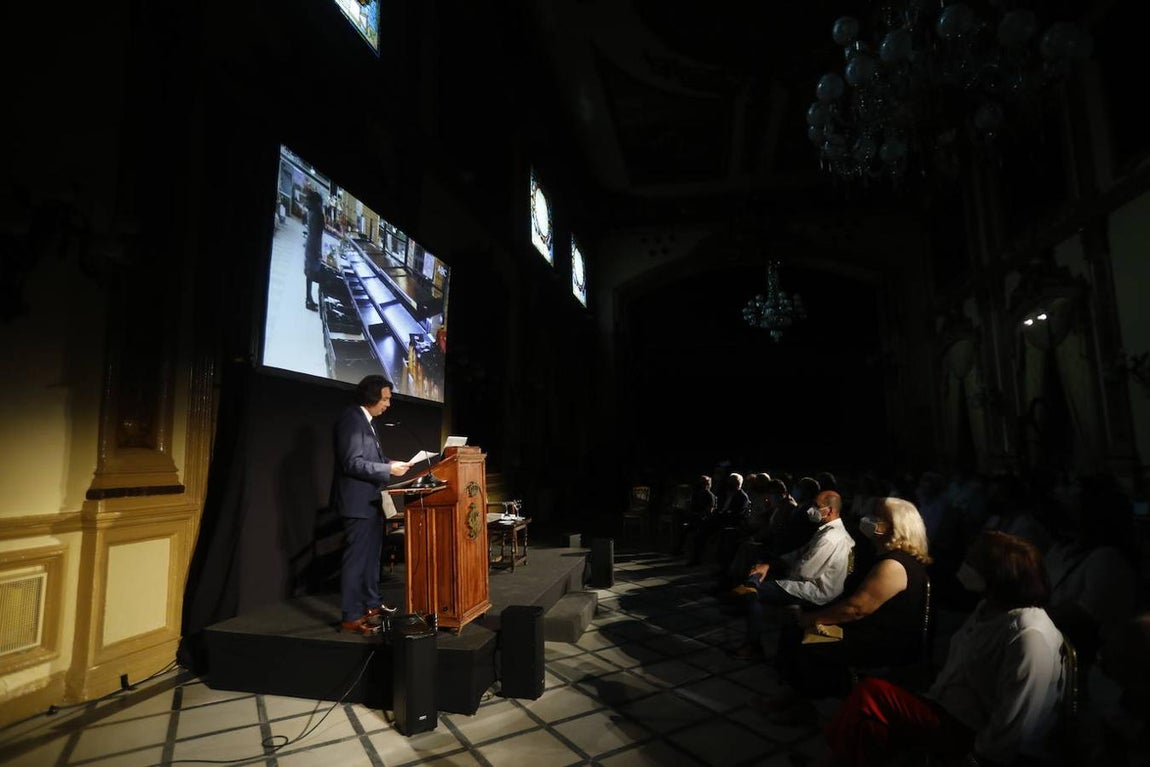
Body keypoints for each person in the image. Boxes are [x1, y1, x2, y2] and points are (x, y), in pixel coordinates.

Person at [822, 531, 1065, 767]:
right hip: (945, 707)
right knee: (869, 726)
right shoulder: (988, 608)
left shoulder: (1029, 633)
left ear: (997, 574)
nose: (965, 567)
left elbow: (1017, 718)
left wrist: (978, 758)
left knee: (872, 693)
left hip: (973, 732)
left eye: (973, 563)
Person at [767, 497, 932, 710]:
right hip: (872, 630)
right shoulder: (884, 557)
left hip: (883, 642)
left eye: (877, 517)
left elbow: (856, 609)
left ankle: (800, 704)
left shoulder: (894, 564)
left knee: (804, 637)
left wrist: (809, 619)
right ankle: (793, 696)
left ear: (896, 526)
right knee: (797, 630)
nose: (868, 519)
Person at [330, 375, 412, 634]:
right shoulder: (351, 419)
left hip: (371, 500)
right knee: (357, 560)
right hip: (357, 502)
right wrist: (387, 468)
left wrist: (391, 462)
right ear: (371, 397)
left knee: (371, 558)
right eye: (385, 398)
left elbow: (371, 457)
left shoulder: (367, 421)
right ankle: (352, 615)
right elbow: (352, 462)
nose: (388, 404)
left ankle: (372, 605)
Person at [732, 490, 855, 659]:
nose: (811, 509)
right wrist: (770, 564)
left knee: (752, 592)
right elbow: (799, 554)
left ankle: (753, 645)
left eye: (817, 506)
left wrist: (777, 569)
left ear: (831, 510)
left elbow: (804, 571)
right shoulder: (828, 530)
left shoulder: (830, 538)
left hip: (817, 590)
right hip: (813, 581)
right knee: (761, 568)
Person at [303, 186, 325, 311]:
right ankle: (310, 301)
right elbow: (318, 236)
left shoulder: (311, 210)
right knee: (315, 274)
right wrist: (319, 253)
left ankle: (309, 299)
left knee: (309, 274)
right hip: (313, 248)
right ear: (318, 202)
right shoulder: (318, 214)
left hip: (309, 245)